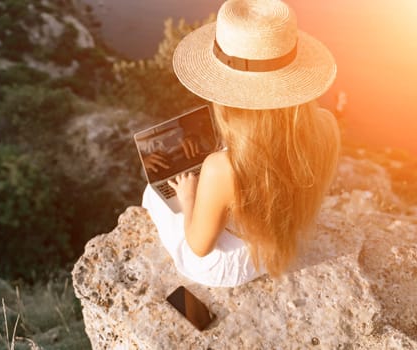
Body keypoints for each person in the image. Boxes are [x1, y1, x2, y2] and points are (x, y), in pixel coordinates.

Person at [142, 0, 340, 287]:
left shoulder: (223, 168)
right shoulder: (324, 126)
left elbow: (199, 246)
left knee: (152, 193)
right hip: (282, 241)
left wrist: (189, 198)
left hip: (235, 264)